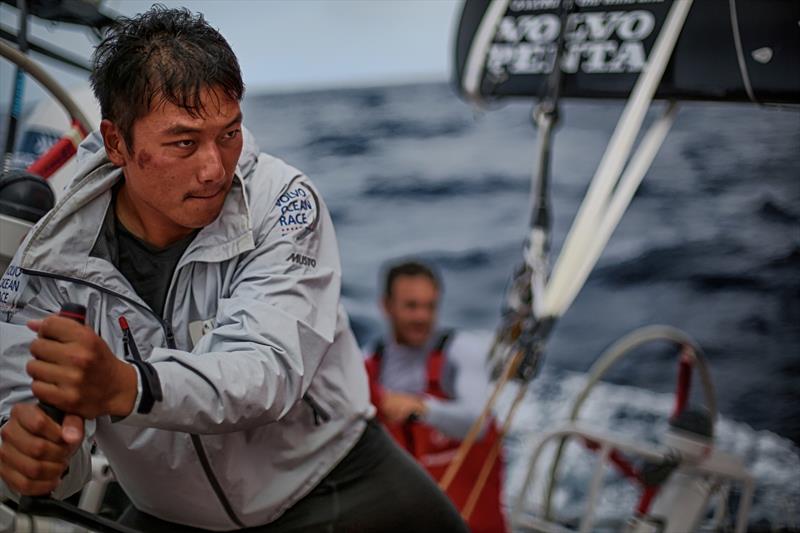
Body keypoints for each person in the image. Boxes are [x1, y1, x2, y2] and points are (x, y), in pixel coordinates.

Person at [0, 7, 469, 532]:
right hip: (173, 511)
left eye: (228, 134)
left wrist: (128, 385)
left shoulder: (282, 202)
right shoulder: (47, 261)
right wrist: (31, 450)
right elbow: (23, 412)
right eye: (183, 142)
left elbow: (265, 370)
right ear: (116, 144)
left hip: (333, 475)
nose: (214, 168)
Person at [364, 260, 508, 533]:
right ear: (386, 306)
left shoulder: (462, 352)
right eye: (411, 306)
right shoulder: (369, 364)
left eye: (430, 306)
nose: (422, 316)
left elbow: (476, 424)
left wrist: (422, 409)